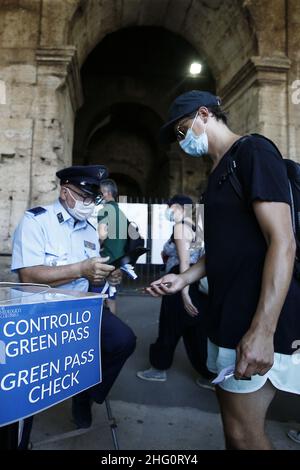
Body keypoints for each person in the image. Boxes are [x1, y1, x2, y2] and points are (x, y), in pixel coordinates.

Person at [147, 90, 300, 450]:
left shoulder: (253, 152)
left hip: (256, 315)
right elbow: (221, 250)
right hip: (226, 313)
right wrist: (183, 277)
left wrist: (263, 330)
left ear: (204, 114)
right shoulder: (215, 173)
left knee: (244, 435)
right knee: (234, 431)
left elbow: (283, 241)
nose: (181, 142)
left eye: (183, 130)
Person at [11, 165, 136, 446]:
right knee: (23, 390)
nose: (89, 204)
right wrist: (81, 268)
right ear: (65, 192)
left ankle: (84, 393)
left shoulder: (90, 231)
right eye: (84, 197)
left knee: (122, 340)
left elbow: (90, 275)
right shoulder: (36, 222)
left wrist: (106, 273)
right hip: (39, 317)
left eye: (94, 199)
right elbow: (28, 277)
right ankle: (19, 436)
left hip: (79, 314)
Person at [137, 194, 214, 390]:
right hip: (195, 283)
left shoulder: (180, 228)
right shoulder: (197, 227)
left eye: (169, 207)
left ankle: (158, 368)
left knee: (169, 327)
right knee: (196, 330)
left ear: (179, 207)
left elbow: (185, 263)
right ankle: (209, 374)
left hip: (180, 284)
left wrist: (184, 293)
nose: (167, 211)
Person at [95, 179, 128, 314]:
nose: (97, 195)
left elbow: (102, 235)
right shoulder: (121, 213)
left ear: (106, 193)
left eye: (99, 192)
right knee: (111, 298)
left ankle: (103, 332)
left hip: (105, 261)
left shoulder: (105, 210)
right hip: (118, 261)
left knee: (99, 299)